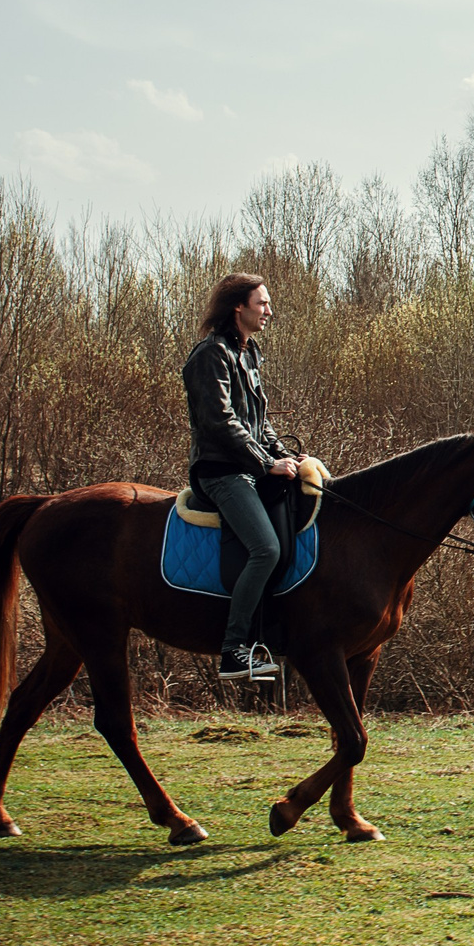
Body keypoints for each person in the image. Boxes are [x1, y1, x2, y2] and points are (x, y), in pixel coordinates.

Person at [183, 273, 299, 683]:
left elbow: (259, 423)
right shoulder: (210, 355)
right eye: (262, 303)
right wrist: (265, 465)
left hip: (247, 466)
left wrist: (287, 457)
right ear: (239, 307)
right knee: (265, 549)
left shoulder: (248, 355)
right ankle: (234, 651)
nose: (269, 311)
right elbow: (221, 423)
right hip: (221, 472)